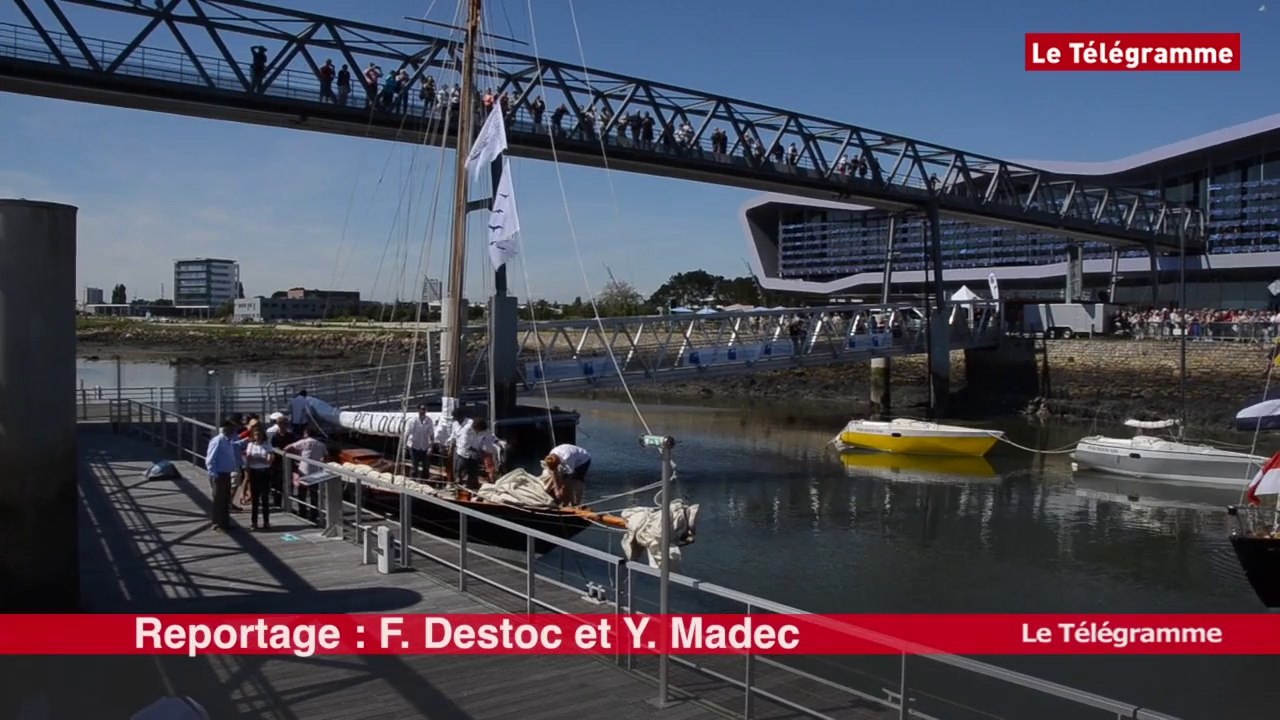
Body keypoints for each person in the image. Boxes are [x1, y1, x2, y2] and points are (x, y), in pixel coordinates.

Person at [204, 419, 246, 532]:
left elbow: (236, 446)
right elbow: (210, 459)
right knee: (218, 499)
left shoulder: (228, 441)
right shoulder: (218, 441)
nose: (234, 431)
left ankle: (225, 523)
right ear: (226, 429)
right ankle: (217, 523)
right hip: (219, 474)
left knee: (225, 499)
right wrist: (214, 474)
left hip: (226, 473)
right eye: (232, 429)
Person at [285, 427, 327, 523]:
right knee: (314, 494)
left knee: (302, 493)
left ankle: (302, 511)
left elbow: (287, 448)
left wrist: (296, 454)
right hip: (316, 471)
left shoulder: (303, 442)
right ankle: (314, 513)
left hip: (304, 469)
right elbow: (325, 456)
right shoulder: (321, 444)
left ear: (306, 433)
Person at [242, 424, 274, 531]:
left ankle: (266, 522)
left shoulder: (267, 444)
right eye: (256, 435)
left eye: (259, 434)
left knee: (265, 498)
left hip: (264, 472)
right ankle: (254, 522)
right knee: (255, 499)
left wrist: (257, 459)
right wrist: (261, 458)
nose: (257, 436)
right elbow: (248, 459)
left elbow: (269, 460)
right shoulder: (251, 445)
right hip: (254, 472)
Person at [452, 417, 499, 490]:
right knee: (460, 471)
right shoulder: (467, 429)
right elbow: (465, 444)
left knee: (473, 471)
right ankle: (457, 486)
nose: (479, 432)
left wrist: (497, 442)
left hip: (475, 453)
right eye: (478, 430)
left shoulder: (484, 430)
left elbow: (491, 437)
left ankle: (471, 487)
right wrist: (477, 451)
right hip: (463, 452)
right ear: (475, 427)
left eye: (481, 431)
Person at [404, 404, 435, 480]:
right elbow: (407, 433)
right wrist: (404, 446)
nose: (423, 411)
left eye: (424, 409)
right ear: (418, 410)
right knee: (415, 466)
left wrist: (431, 447)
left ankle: (425, 481)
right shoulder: (413, 421)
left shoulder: (429, 421)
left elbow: (431, 435)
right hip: (414, 446)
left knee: (426, 466)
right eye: (421, 409)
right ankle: (413, 481)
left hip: (424, 446)